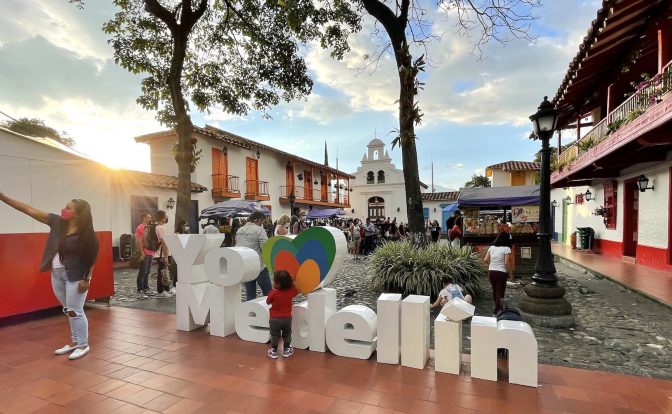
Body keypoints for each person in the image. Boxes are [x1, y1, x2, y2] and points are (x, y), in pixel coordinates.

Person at [0, 193, 98, 360]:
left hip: (75, 277)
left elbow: (91, 257)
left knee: (75, 310)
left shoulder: (86, 234)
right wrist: (4, 198)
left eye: (68, 208)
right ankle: (76, 342)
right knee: (69, 310)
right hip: (57, 275)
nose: (64, 209)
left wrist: (86, 279)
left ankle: (83, 345)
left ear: (78, 214)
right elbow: (28, 209)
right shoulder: (57, 222)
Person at [235, 211, 272, 300]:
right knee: (268, 293)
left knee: (250, 294)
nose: (262, 223)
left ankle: (251, 312)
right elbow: (265, 248)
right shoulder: (259, 230)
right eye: (263, 221)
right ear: (259, 220)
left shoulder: (240, 230)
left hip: (246, 265)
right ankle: (269, 311)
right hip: (259, 266)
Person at [266, 270, 299, 359]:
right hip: (287, 318)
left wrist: (273, 290)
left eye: (274, 281)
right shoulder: (290, 291)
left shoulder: (273, 293)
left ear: (278, 284)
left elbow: (267, 301)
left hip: (274, 319)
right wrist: (291, 283)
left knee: (275, 335)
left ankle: (274, 350)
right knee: (287, 333)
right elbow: (296, 291)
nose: (273, 282)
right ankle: (286, 349)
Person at [484, 231, 514, 313]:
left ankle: (498, 308)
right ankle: (497, 311)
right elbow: (506, 263)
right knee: (500, 293)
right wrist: (511, 274)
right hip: (501, 273)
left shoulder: (492, 247)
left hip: (491, 272)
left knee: (495, 291)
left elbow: (485, 260)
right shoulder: (506, 249)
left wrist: (492, 265)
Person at [153, 210, 174, 297]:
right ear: (162, 217)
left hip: (158, 253)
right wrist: (166, 256)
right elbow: (163, 242)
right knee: (163, 273)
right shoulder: (161, 227)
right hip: (162, 254)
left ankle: (165, 290)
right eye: (165, 216)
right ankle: (162, 291)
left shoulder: (156, 227)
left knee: (162, 272)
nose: (166, 218)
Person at [135, 212, 155, 299]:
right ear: (144, 218)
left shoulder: (149, 227)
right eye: (148, 217)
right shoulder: (140, 228)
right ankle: (140, 290)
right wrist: (142, 253)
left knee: (147, 272)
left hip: (150, 252)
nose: (150, 219)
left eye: (150, 217)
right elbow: (138, 242)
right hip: (145, 253)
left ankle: (146, 288)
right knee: (142, 272)